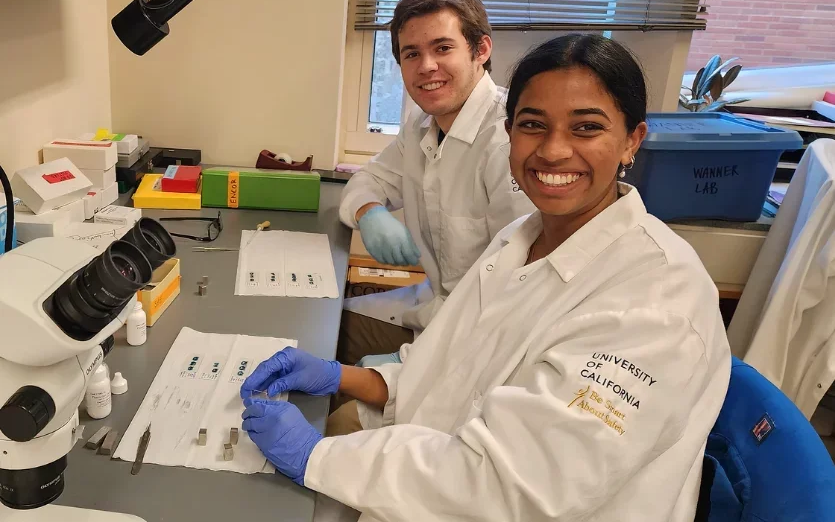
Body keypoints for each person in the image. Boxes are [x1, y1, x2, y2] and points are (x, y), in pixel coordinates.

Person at [240, 34, 732, 522]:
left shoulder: (659, 302)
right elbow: (453, 372)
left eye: (586, 128)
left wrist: (315, 457)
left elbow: (511, 487)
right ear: (510, 131)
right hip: (437, 474)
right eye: (533, 125)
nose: (554, 151)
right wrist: (345, 377)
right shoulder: (523, 238)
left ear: (632, 141)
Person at [338, 0, 534, 367]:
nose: (426, 66)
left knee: (335, 378)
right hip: (436, 309)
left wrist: (411, 365)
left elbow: (518, 295)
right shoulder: (422, 123)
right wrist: (370, 213)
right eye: (412, 53)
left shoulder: (512, 137)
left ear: (481, 50)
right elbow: (370, 180)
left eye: (443, 48)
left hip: (485, 342)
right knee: (326, 324)